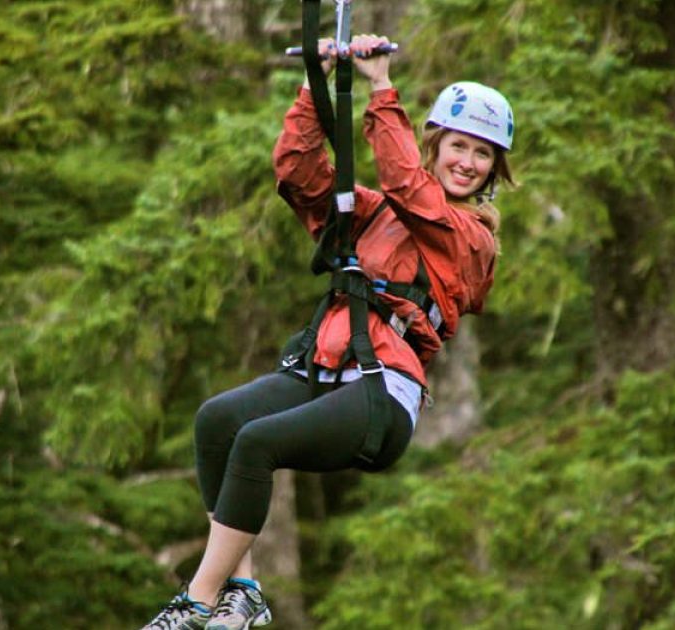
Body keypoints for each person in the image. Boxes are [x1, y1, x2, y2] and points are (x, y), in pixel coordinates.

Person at [141, 33, 514, 630]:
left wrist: (380, 85)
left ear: (496, 169)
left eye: (483, 155)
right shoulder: (373, 213)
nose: (468, 163)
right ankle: (244, 592)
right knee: (219, 420)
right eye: (459, 147)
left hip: (382, 395)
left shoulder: (473, 240)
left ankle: (197, 602)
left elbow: (408, 187)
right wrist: (317, 87)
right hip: (326, 367)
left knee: (257, 443)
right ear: (437, 144)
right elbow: (299, 173)